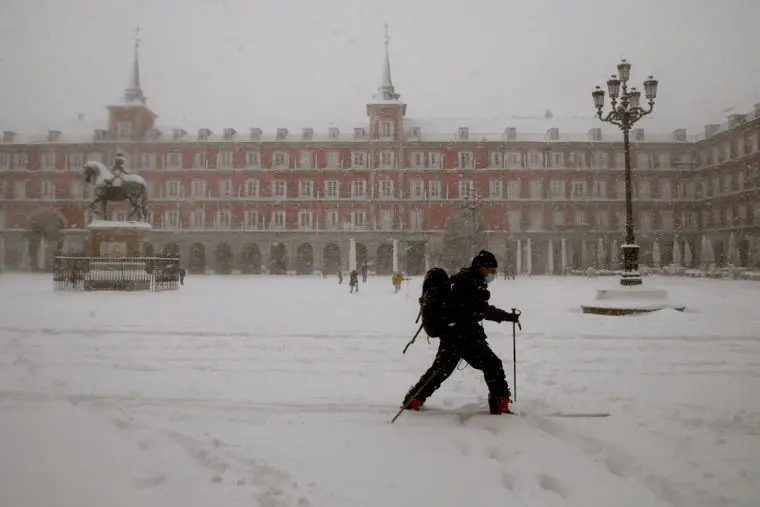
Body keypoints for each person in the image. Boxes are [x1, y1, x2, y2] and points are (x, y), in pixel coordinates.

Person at [401, 250, 521, 415]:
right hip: (463, 335)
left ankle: (414, 399)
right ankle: (500, 404)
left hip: (454, 333)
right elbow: (478, 310)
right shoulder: (467, 283)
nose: (493, 274)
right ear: (482, 268)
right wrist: (504, 316)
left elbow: (474, 309)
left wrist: (500, 315)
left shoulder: (467, 280)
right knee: (492, 365)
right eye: (492, 271)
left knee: (441, 370)